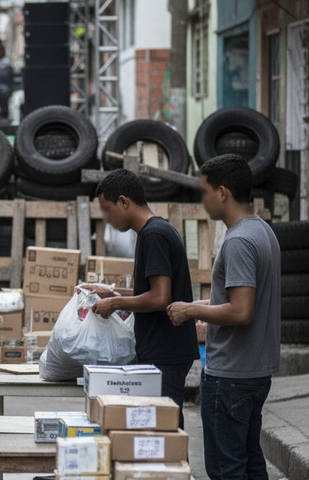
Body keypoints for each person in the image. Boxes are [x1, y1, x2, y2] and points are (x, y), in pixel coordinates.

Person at [167, 154, 280, 480]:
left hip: (231, 375)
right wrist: (195, 305)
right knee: (249, 459)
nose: (202, 200)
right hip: (255, 372)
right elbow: (233, 301)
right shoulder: (262, 232)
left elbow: (241, 311)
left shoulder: (239, 241)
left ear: (222, 192)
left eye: (204, 192)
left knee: (225, 468)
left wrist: (190, 310)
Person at [85, 169, 199, 430]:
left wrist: (114, 304)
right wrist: (111, 292)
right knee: (158, 426)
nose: (106, 218)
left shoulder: (153, 235)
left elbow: (160, 297)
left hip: (166, 352)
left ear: (124, 202)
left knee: (165, 429)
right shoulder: (154, 231)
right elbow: (149, 291)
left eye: (106, 209)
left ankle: (173, 472)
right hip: (163, 350)